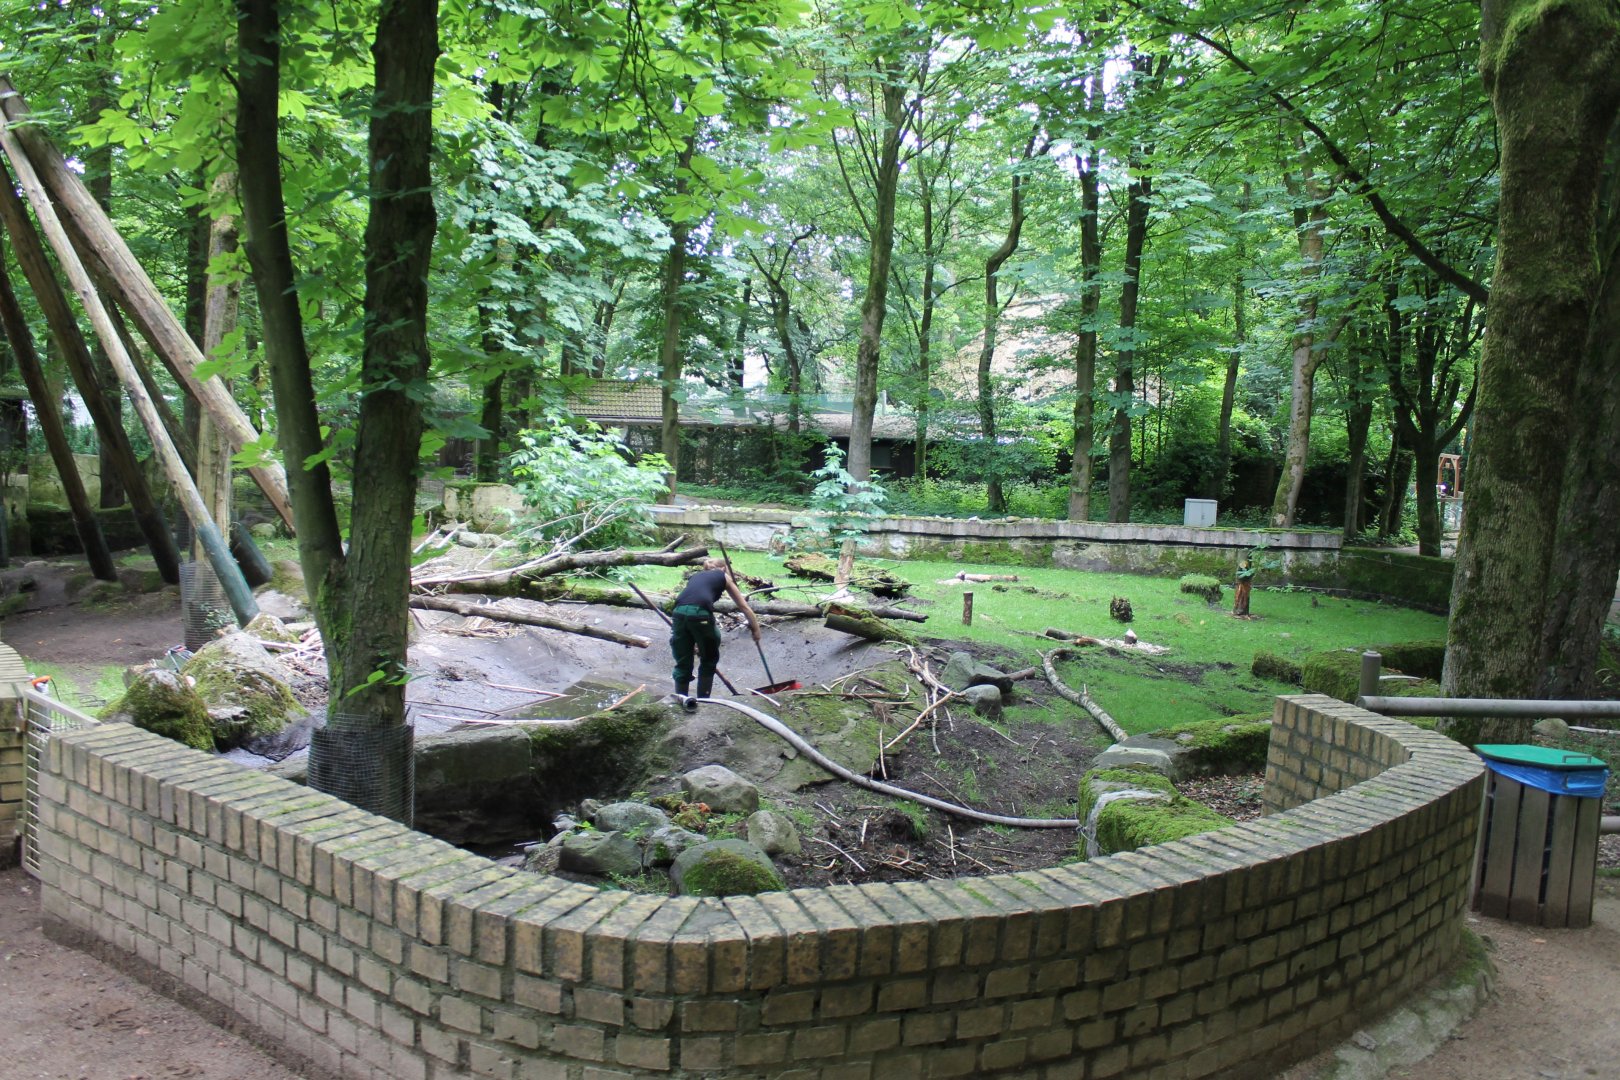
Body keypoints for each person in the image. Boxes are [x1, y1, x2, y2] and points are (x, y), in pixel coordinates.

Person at [670, 557, 761, 700]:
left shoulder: (696, 576)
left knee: (683, 660)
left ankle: (681, 700)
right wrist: (756, 629)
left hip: (678, 614)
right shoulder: (724, 576)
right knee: (709, 657)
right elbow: (743, 606)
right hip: (700, 615)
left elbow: (691, 600)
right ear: (724, 568)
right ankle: (703, 700)